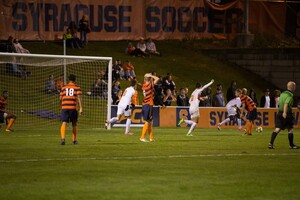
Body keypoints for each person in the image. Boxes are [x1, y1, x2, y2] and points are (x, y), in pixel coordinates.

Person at [268, 81, 299, 149]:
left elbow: (280, 103)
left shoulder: (282, 93)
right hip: (287, 114)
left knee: (277, 129)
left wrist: (282, 112)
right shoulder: (290, 95)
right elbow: (286, 103)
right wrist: (285, 112)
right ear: (293, 87)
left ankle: (270, 143)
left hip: (279, 113)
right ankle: (291, 145)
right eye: (295, 86)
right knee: (290, 129)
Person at [60, 74, 82, 145]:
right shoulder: (77, 87)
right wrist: (81, 108)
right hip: (73, 107)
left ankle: (63, 139)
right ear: (75, 80)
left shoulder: (63, 87)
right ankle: (74, 140)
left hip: (65, 107)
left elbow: (60, 98)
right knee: (74, 123)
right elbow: (79, 97)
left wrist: (61, 104)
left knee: (64, 122)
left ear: (69, 80)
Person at [140, 73, 160, 142]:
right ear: (150, 79)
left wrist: (146, 76)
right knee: (147, 121)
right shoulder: (150, 85)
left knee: (150, 121)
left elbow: (145, 79)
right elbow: (157, 79)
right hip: (149, 104)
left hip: (145, 104)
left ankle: (151, 138)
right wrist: (151, 76)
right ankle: (142, 137)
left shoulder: (144, 85)